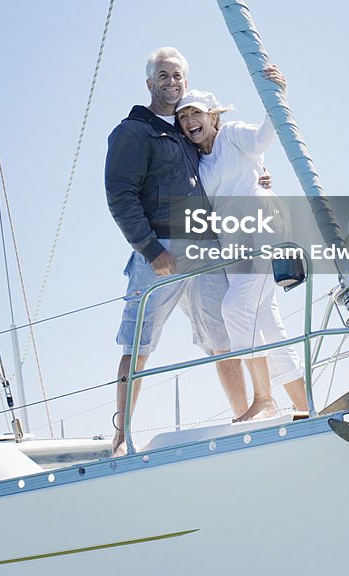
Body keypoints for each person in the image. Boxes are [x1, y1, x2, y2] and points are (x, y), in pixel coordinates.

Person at [105, 47, 248, 455]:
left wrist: (258, 178)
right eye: (164, 76)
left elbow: (218, 168)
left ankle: (244, 418)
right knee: (139, 343)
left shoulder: (186, 132)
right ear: (150, 83)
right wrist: (151, 250)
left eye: (178, 76)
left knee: (222, 338)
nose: (172, 82)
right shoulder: (132, 132)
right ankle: (121, 437)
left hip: (205, 247)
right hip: (161, 253)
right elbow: (120, 194)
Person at [176, 66, 309, 422]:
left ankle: (264, 399)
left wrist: (278, 94)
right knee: (266, 321)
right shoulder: (199, 162)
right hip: (231, 240)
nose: (190, 121)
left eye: (196, 113)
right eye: (183, 116)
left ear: (213, 116)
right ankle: (306, 408)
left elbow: (266, 138)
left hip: (261, 226)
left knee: (235, 308)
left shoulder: (232, 134)